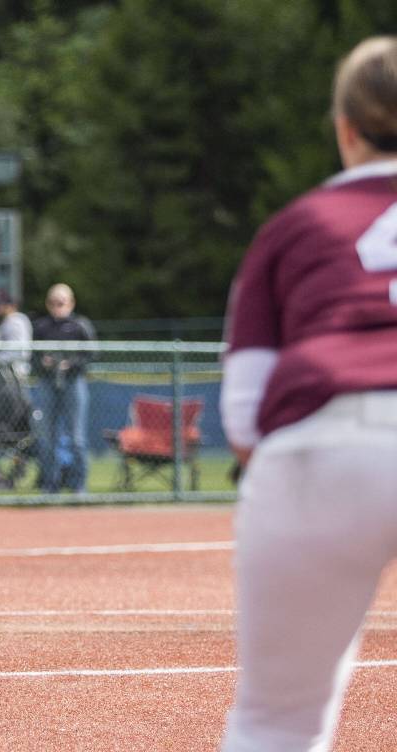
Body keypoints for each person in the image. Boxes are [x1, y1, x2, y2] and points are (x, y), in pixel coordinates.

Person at [219, 36, 397, 751]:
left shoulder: (292, 229)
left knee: (275, 724)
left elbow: (242, 418)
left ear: (345, 127)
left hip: (319, 444)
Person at [31, 283, 96, 493]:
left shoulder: (80, 325)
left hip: (73, 382)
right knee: (47, 437)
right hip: (48, 383)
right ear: (48, 304)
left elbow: (92, 353)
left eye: (62, 302)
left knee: (77, 437)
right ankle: (50, 485)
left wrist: (71, 363)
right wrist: (44, 363)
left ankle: (79, 486)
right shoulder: (41, 327)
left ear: (71, 303)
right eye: (53, 302)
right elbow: (32, 357)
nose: (58, 307)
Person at [0, 290, 32, 381]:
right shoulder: (8, 321)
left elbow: (17, 351)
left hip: (16, 371)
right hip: (7, 371)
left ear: (9, 305)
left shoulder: (16, 321)